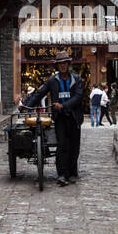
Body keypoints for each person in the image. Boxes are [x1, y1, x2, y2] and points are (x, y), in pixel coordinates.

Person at [21, 51, 83, 186]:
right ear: (57, 66)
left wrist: (63, 105)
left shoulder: (76, 79)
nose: (63, 66)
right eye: (60, 64)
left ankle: (72, 173)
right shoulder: (52, 81)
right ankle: (62, 174)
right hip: (60, 118)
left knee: (74, 147)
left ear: (68, 64)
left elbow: (78, 97)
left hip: (74, 117)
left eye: (65, 63)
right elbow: (39, 94)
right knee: (62, 146)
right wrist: (26, 105)